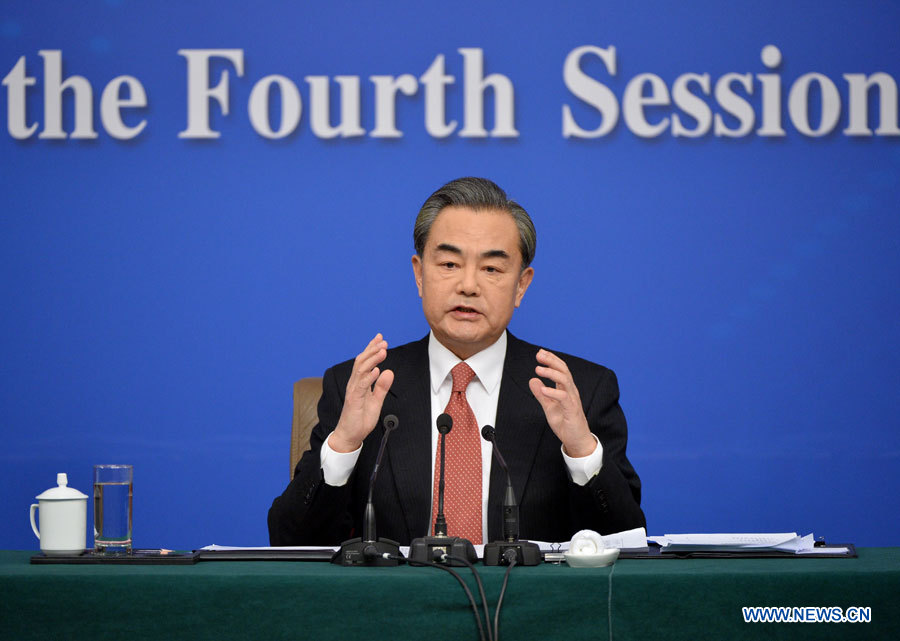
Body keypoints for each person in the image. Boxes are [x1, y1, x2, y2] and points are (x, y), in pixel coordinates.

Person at [268, 177, 645, 546]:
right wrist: (345, 444)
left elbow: (627, 547)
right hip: (397, 606)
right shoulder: (361, 387)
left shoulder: (578, 390)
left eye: (492, 268)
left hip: (526, 607)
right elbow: (291, 543)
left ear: (521, 285)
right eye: (449, 264)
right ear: (419, 274)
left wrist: (582, 450)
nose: (468, 285)